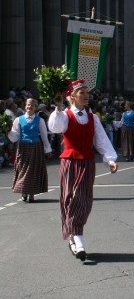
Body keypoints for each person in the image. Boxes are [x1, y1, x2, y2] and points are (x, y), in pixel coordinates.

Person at [47, 80, 118, 261]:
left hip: (87, 163)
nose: (86, 95)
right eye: (81, 92)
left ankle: (75, 234)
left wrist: (110, 159)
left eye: (87, 92)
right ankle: (76, 237)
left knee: (83, 199)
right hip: (69, 162)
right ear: (72, 96)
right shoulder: (65, 115)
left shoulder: (92, 117)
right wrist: (58, 107)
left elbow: (101, 140)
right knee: (70, 198)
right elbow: (54, 127)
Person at [8, 98, 52, 202]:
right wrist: (8, 132)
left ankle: (31, 193)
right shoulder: (18, 120)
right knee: (23, 169)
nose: (29, 107)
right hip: (23, 147)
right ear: (25, 106)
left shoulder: (39, 120)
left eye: (32, 105)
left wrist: (48, 149)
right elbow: (15, 136)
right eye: (28, 105)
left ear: (36, 108)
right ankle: (24, 192)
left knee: (33, 171)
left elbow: (44, 135)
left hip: (35, 147)